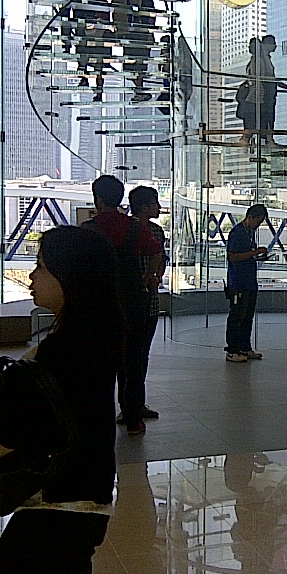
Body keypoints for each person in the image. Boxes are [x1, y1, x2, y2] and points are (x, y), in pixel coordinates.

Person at [0, 226, 120, 574]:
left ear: (72, 277)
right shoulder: (95, 335)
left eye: (42, 267)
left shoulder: (68, 351)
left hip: (62, 505)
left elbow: (19, 427)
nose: (31, 276)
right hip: (76, 498)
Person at [82, 175, 162, 436]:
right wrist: (149, 277)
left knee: (101, 363)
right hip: (133, 301)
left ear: (98, 199)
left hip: (100, 304)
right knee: (135, 361)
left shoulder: (88, 229)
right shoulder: (134, 227)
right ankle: (134, 419)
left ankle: (100, 418)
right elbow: (156, 251)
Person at [125, 186, 167, 422]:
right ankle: (133, 405)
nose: (159, 207)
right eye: (155, 203)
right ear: (144, 206)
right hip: (145, 302)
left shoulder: (152, 231)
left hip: (138, 303)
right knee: (137, 356)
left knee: (135, 357)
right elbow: (161, 259)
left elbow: (162, 260)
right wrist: (153, 278)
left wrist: (156, 276)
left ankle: (132, 404)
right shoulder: (150, 232)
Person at [225, 204, 269, 363]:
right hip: (238, 282)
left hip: (249, 281)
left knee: (247, 316)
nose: (258, 225)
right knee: (237, 315)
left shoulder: (249, 233)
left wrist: (256, 256)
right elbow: (232, 256)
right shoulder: (237, 233)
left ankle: (245, 346)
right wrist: (254, 253)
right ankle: (232, 349)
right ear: (250, 217)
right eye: (258, 221)